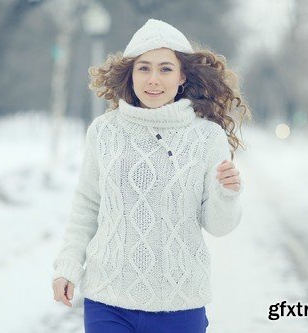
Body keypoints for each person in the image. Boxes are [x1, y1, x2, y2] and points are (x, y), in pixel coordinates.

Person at [52, 18, 251, 333]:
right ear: (130, 74)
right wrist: (68, 267)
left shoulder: (206, 137)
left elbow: (218, 226)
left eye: (165, 69)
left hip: (180, 302)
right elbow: (87, 205)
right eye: (143, 68)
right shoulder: (104, 132)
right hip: (108, 300)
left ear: (182, 75)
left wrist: (227, 194)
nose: (153, 79)